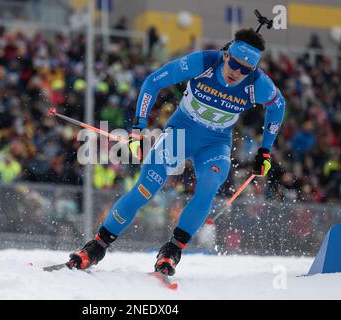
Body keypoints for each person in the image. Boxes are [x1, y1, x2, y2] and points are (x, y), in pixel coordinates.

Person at [64, 28, 286, 276]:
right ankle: (97, 246)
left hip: (215, 144)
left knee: (208, 187)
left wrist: (265, 150)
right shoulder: (203, 62)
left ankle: (172, 251)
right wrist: (138, 128)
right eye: (235, 63)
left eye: (246, 69)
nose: (238, 72)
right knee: (146, 187)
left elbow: (278, 106)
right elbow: (152, 82)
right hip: (180, 134)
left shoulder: (258, 84)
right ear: (226, 55)